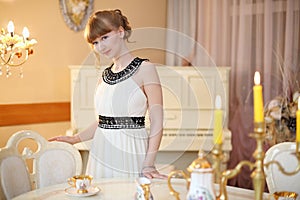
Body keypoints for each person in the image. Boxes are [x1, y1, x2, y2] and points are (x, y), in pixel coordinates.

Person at [49, 9, 166, 179]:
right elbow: (103, 122)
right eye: (95, 42)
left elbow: (157, 122)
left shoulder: (145, 69)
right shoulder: (103, 77)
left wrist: (148, 164)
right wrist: (75, 139)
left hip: (131, 150)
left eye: (104, 38)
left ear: (120, 32)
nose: (100, 46)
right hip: (102, 152)